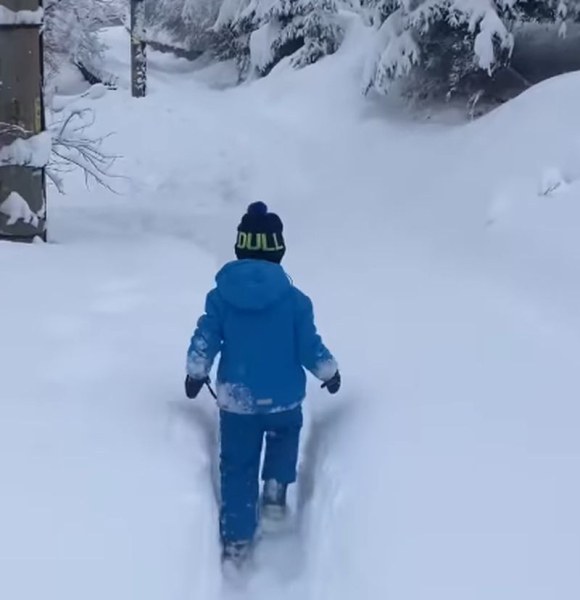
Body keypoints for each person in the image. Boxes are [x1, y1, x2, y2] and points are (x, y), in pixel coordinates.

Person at [184, 201, 340, 565]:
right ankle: (275, 488)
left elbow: (205, 338)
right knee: (285, 437)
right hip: (284, 397)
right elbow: (310, 347)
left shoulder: (221, 297)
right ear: (279, 250)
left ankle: (237, 539)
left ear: (240, 247)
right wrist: (330, 373)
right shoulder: (296, 301)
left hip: (237, 401)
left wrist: (195, 372)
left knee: (237, 466)